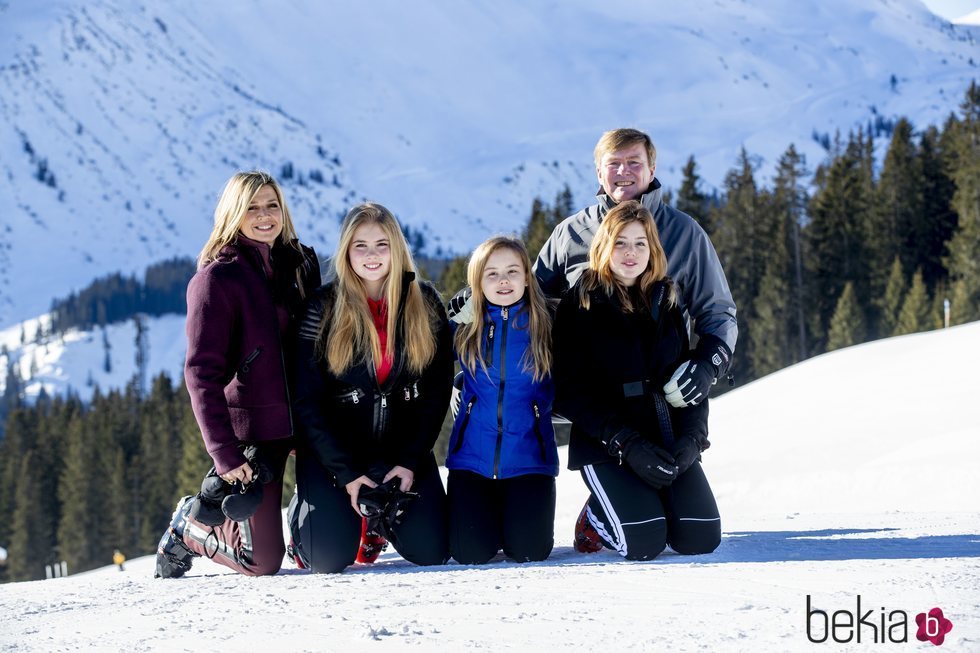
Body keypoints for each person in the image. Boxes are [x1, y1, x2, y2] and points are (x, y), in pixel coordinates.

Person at [155, 171, 320, 579]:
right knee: (262, 562)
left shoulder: (301, 264)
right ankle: (191, 527)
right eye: (252, 207)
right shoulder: (216, 280)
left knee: (329, 551)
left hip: (306, 422)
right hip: (255, 436)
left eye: (272, 206)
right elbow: (201, 376)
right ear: (233, 213)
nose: (264, 216)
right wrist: (225, 455)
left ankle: (307, 532)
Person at [288, 202, 453, 573]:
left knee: (431, 551)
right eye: (360, 245)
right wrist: (345, 473)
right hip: (335, 458)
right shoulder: (323, 307)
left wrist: (409, 462)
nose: (372, 255)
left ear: (397, 248)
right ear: (346, 251)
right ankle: (310, 511)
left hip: (399, 456)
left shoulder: (425, 304)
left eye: (382, 244)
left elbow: (437, 393)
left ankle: (376, 522)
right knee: (327, 559)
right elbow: (306, 399)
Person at [552, 200, 721, 560]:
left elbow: (687, 375)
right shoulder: (579, 304)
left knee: (700, 538)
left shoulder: (667, 299)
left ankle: (642, 498)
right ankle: (595, 517)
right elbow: (567, 392)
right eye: (621, 243)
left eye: (640, 243)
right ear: (604, 247)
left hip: (665, 437)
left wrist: (693, 439)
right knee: (644, 543)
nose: (631, 252)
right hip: (608, 445)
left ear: (652, 249)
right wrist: (625, 443)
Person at [534, 128, 737, 409]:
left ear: (651, 170)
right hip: (595, 414)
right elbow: (528, 304)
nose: (623, 171)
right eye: (613, 163)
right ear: (599, 172)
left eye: (634, 162)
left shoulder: (684, 232)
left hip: (664, 404)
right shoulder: (571, 234)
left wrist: (708, 363)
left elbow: (718, 311)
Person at [445, 236, 558, 565]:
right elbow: (425, 351)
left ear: (527, 276)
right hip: (472, 461)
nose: (503, 280)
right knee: (468, 554)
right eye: (491, 274)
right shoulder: (466, 323)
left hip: (529, 460)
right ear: (477, 282)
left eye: (512, 271)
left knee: (529, 552)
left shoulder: (546, 323)